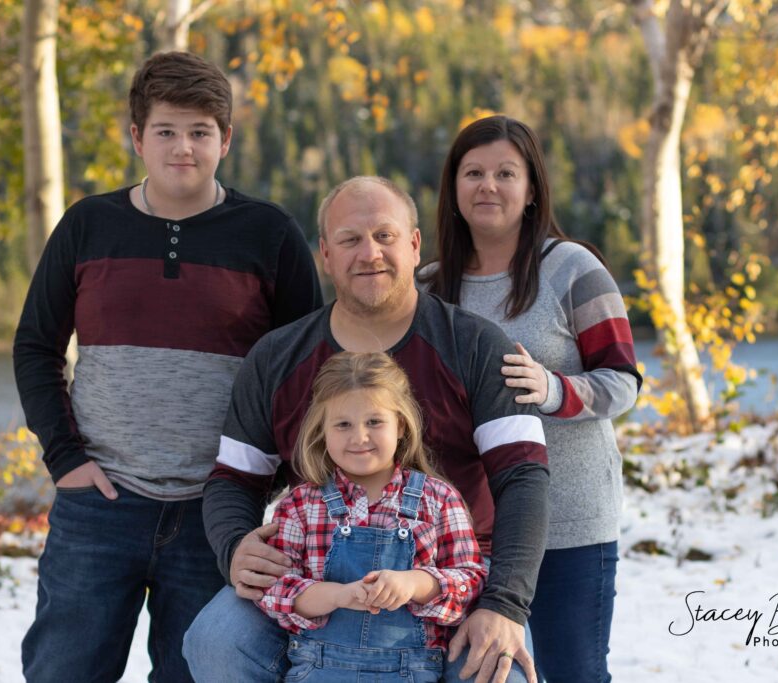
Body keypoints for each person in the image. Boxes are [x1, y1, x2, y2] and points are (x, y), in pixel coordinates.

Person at [13, 51, 322, 683]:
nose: (184, 147)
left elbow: (308, 372)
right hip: (100, 505)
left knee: (195, 673)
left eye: (200, 131)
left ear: (225, 139)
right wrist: (65, 458)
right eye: (166, 131)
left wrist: (275, 481)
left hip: (217, 514)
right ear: (137, 138)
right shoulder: (88, 225)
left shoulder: (268, 234)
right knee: (63, 671)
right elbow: (35, 347)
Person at [184, 176, 549, 683]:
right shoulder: (277, 357)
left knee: (500, 669)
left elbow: (525, 479)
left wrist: (506, 603)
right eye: (350, 239)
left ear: (415, 245)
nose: (369, 253)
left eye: (385, 235)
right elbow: (233, 480)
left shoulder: (476, 346)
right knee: (215, 639)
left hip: (451, 583)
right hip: (313, 585)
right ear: (326, 256)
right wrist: (234, 548)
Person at [421, 115, 642, 683]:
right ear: (453, 188)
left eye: (504, 173)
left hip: (570, 520)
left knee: (575, 673)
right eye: (473, 173)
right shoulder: (427, 287)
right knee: (482, 675)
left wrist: (553, 390)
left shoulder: (573, 269)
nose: (487, 186)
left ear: (532, 189)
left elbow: (623, 382)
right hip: (465, 533)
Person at [257, 351, 488, 682]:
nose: (359, 437)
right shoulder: (300, 505)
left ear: (401, 425)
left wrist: (414, 583)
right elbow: (275, 589)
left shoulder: (438, 499)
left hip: (411, 672)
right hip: (319, 671)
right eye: (343, 424)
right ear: (323, 430)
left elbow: (471, 582)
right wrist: (340, 595)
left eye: (375, 422)